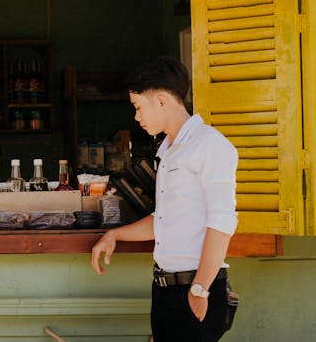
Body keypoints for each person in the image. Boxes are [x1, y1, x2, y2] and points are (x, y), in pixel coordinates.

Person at [90, 56, 238, 342]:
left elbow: (222, 223)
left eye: (138, 107)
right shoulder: (168, 151)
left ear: (160, 101)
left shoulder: (210, 145)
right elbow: (165, 221)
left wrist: (200, 289)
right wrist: (115, 235)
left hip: (196, 288)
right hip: (165, 289)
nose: (136, 117)